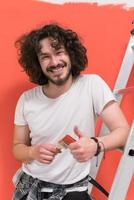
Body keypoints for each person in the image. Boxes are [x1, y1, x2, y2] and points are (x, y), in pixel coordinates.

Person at [12, 23, 129, 200]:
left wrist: (96, 145)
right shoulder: (26, 100)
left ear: (70, 54)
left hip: (72, 191)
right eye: (45, 57)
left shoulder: (92, 85)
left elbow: (123, 132)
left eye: (59, 52)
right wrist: (31, 152)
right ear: (37, 62)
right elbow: (17, 147)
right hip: (29, 187)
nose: (54, 62)